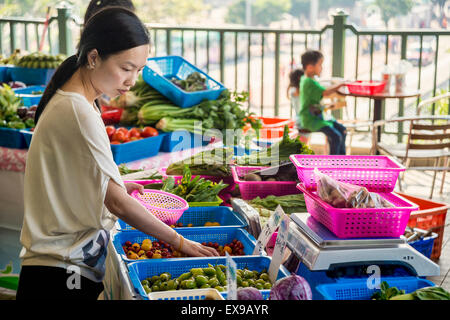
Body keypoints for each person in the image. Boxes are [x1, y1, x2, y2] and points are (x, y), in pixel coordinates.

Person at [16, 7, 218, 300]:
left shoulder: (78, 100)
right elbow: (118, 205)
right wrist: (180, 242)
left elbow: (85, 179)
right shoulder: (78, 111)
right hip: (62, 271)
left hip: (61, 265)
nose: (132, 81)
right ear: (94, 57)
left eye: (139, 70)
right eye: (126, 68)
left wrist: (116, 183)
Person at [298, 50, 347, 155]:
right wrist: (339, 85)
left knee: (342, 130)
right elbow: (325, 92)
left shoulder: (310, 79)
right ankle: (333, 165)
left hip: (320, 116)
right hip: (310, 119)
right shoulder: (308, 82)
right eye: (320, 64)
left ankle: (342, 161)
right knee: (336, 136)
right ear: (310, 67)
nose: (322, 67)